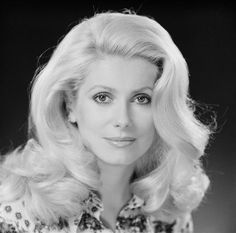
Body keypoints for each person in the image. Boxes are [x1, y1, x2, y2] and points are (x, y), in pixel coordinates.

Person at [0, 10, 212, 233]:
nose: (123, 120)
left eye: (142, 99)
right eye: (102, 97)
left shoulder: (168, 214)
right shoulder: (15, 211)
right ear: (70, 104)